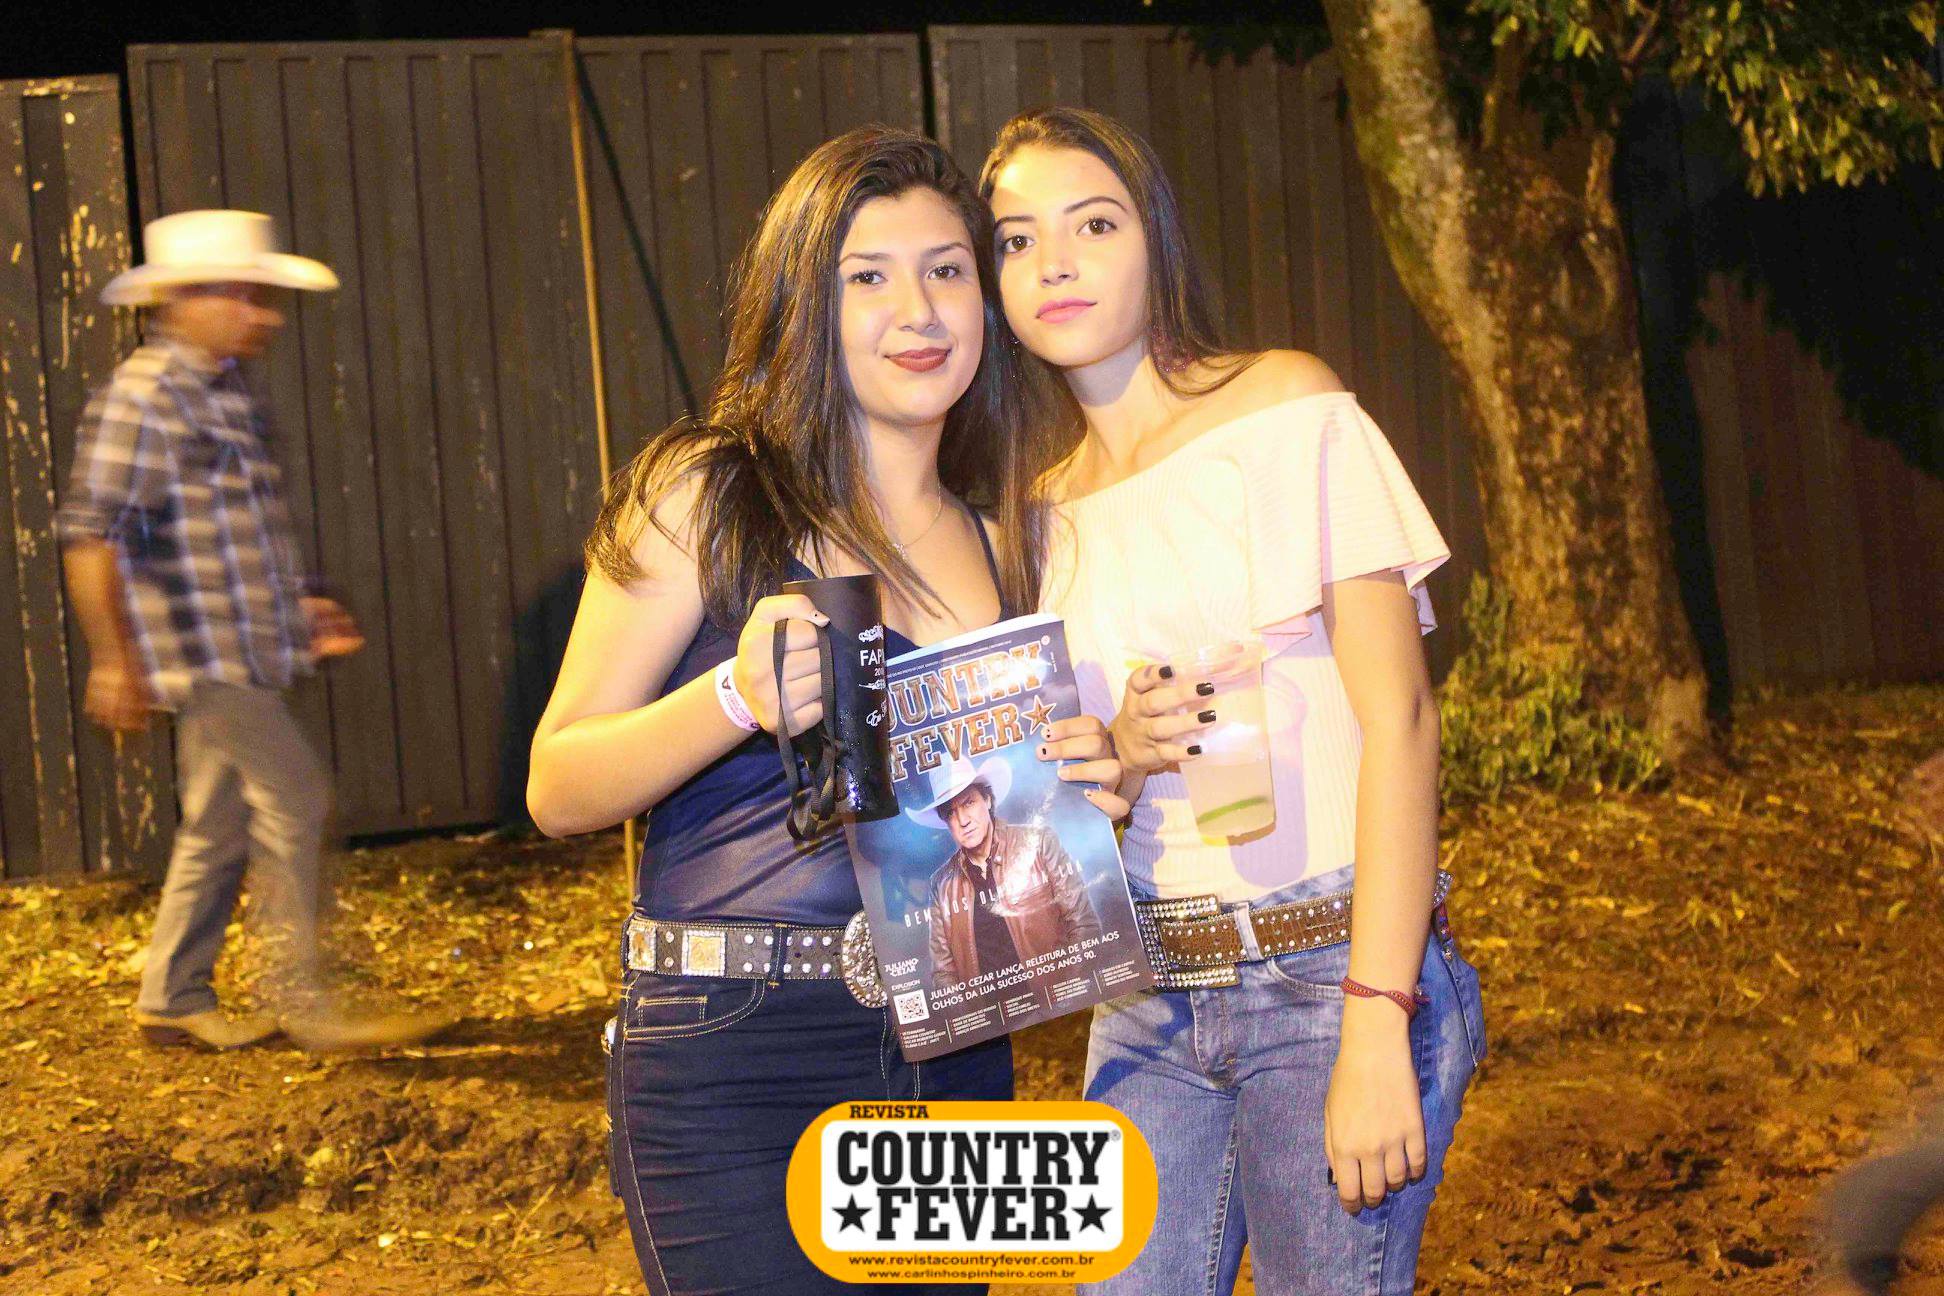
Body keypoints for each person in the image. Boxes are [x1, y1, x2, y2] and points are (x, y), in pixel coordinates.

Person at [527, 128, 1126, 1296]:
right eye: (869, 277)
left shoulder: (1010, 541)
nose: (919, 311)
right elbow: (558, 787)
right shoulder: (704, 494)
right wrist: (733, 698)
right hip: (736, 1049)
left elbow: (1008, 832)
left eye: (947, 270)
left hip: (955, 1050)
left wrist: (1090, 781)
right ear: (805, 302)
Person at [982, 107, 1487, 1295]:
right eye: (1015, 240)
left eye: (1092, 224)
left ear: (1155, 238)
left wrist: (1377, 1014)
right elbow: (1072, 807)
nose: (1053, 264)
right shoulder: (1036, 513)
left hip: (1328, 969)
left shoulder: (1285, 408)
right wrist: (1118, 754)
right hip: (1147, 997)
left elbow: (1403, 722)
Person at [60, 209, 446, 1054]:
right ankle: (303, 999)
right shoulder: (146, 397)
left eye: (261, 296)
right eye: (239, 295)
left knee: (217, 824)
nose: (260, 314)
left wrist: (296, 605)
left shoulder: (225, 390)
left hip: (244, 647)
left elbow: (234, 530)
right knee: (297, 800)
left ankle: (171, 996)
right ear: (180, 301)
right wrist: (112, 659)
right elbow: (93, 532)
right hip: (205, 657)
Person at [915, 755, 1103, 985]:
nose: (962, 820)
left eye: (968, 803)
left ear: (987, 800)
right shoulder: (941, 884)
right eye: (950, 813)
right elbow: (944, 972)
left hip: (1055, 998)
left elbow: (1084, 925)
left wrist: (1068, 993)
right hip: (987, 1007)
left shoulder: (1039, 842)